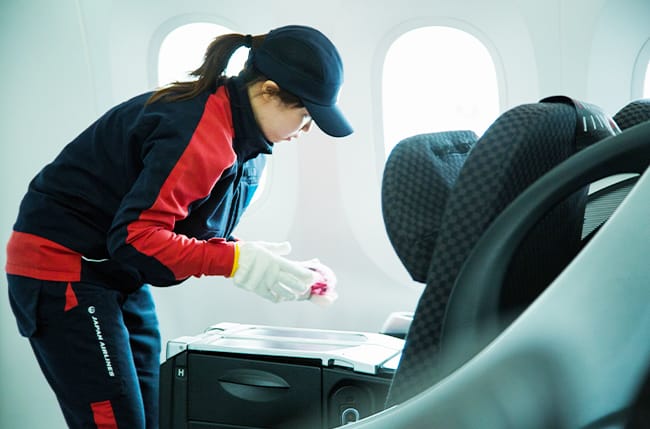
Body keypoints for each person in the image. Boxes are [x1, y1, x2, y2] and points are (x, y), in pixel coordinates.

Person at [5, 24, 352, 428]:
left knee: (157, 411)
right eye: (305, 115)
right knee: (115, 421)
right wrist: (235, 261)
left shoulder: (248, 144)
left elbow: (188, 229)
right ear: (268, 90)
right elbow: (136, 238)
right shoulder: (199, 130)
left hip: (116, 270)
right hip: (62, 267)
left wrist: (269, 265)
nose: (306, 129)